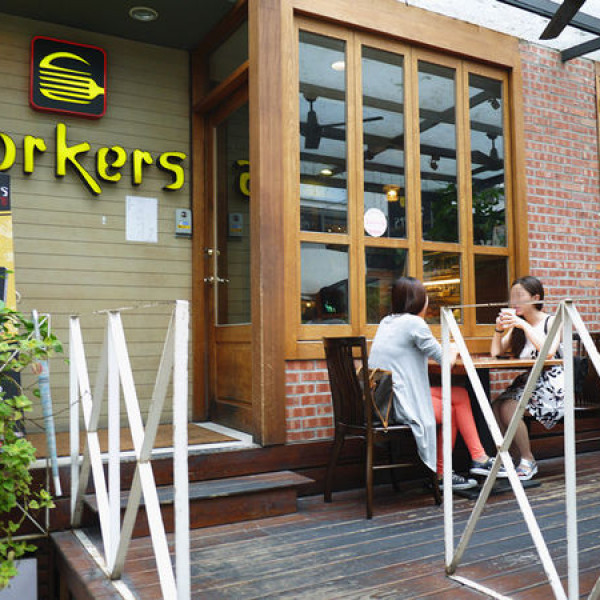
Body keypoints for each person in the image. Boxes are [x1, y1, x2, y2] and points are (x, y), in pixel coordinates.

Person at [369, 276, 503, 491]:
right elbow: (446, 362)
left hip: (384, 400)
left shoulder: (387, 322)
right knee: (450, 409)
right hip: (399, 404)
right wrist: (454, 348)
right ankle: (443, 474)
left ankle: (479, 458)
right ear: (419, 301)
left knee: (459, 394)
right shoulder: (414, 323)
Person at [491, 275, 564, 481]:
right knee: (495, 407)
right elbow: (496, 352)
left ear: (535, 298)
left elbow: (549, 352)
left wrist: (523, 326)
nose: (513, 302)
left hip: (554, 384)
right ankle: (513, 460)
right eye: (512, 297)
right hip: (530, 381)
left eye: (519, 296)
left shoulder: (552, 321)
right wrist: (499, 329)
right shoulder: (518, 326)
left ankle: (527, 459)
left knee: (509, 407)